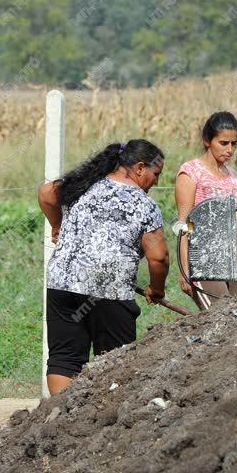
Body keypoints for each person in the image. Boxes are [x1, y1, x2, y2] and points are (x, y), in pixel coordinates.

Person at [38, 139, 169, 395]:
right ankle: (105, 423)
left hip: (63, 284)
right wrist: (157, 288)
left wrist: (57, 225)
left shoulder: (83, 185)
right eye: (156, 174)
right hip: (109, 290)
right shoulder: (144, 204)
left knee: (65, 359)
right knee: (115, 362)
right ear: (140, 167)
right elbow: (159, 258)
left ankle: (59, 420)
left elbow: (46, 193)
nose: (156, 181)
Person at [174, 111, 237, 310]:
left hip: (233, 262)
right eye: (223, 143)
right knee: (219, 318)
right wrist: (185, 270)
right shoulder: (191, 172)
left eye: (233, 144)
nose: (229, 149)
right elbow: (185, 224)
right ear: (207, 140)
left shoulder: (232, 176)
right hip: (203, 261)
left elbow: (235, 229)